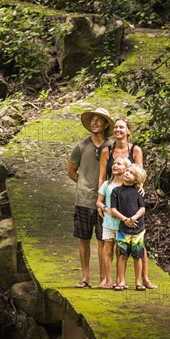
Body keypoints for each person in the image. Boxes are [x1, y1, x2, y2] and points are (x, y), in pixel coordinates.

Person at [98, 118, 157, 289]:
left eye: (121, 127)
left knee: (139, 243)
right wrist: (100, 200)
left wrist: (140, 189)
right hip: (113, 199)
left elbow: (140, 173)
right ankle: (111, 280)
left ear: (128, 131)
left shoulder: (135, 150)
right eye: (115, 127)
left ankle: (144, 279)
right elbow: (102, 176)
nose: (118, 130)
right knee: (112, 243)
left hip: (131, 199)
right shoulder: (107, 151)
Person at [67, 108, 114, 288]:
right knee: (84, 239)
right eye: (92, 120)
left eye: (98, 120)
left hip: (106, 201)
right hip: (84, 200)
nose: (94, 123)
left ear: (105, 124)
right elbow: (71, 171)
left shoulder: (112, 146)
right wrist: (84, 184)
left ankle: (104, 279)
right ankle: (85, 278)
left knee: (104, 240)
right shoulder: (81, 146)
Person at [110, 164, 148, 291]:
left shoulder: (138, 191)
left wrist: (133, 218)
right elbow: (113, 209)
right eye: (127, 171)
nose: (126, 173)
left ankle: (138, 282)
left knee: (138, 256)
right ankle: (121, 281)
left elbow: (142, 208)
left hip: (138, 230)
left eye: (131, 173)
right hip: (123, 229)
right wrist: (125, 219)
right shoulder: (116, 191)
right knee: (122, 255)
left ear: (136, 179)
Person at [96, 156, 131, 289]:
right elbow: (99, 201)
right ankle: (108, 280)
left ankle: (120, 280)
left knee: (121, 252)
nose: (115, 166)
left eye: (119, 164)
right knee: (107, 251)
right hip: (108, 223)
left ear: (126, 169)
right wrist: (105, 208)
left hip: (122, 224)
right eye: (114, 163)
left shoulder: (129, 186)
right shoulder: (107, 184)